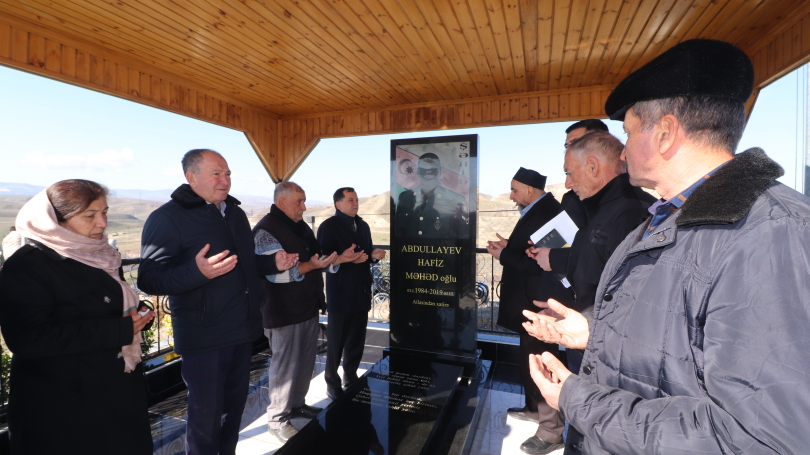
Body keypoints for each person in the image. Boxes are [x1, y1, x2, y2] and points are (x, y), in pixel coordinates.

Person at [528, 39, 810, 455]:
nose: (623, 152)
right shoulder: (672, 216)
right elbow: (681, 345)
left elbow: (757, 436)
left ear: (665, 134)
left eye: (628, 133)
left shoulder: (770, 235)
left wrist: (578, 399)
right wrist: (595, 334)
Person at [138, 149, 297, 455]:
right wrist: (196, 272)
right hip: (204, 336)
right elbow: (149, 278)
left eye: (227, 174)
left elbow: (244, 263)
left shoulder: (234, 214)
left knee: (232, 415)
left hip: (241, 330)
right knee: (206, 421)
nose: (225, 180)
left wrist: (271, 263)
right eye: (216, 174)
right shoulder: (168, 218)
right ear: (191, 177)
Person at [0, 179, 155, 454]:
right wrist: (119, 329)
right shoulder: (28, 265)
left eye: (104, 212)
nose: (102, 223)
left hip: (114, 396)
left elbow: (104, 303)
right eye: (90, 215)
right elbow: (27, 339)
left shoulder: (100, 253)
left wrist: (136, 312)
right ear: (56, 220)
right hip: (65, 407)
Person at [527, 131, 654, 374]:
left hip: (611, 356)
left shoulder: (632, 212)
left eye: (569, 173)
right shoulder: (597, 209)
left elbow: (635, 303)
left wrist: (587, 323)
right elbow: (594, 275)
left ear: (593, 166)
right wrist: (575, 314)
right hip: (590, 338)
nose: (568, 183)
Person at [253, 181, 363, 444]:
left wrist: (340, 259)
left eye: (304, 201)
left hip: (307, 306)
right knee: (284, 367)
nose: (304, 207)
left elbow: (316, 259)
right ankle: (277, 420)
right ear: (281, 203)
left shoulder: (300, 227)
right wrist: (311, 266)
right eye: (299, 202)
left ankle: (297, 405)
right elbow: (275, 274)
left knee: (304, 360)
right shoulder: (265, 231)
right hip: (282, 311)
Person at [485, 168, 569, 454]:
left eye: (514, 190)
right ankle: (534, 409)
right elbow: (530, 250)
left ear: (530, 191)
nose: (511, 196)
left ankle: (551, 430)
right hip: (527, 302)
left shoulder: (550, 213)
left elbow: (538, 263)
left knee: (543, 360)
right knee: (529, 357)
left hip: (538, 303)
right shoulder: (537, 210)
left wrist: (502, 254)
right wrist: (511, 247)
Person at [317, 187, 385, 400]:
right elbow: (322, 259)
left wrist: (373, 255)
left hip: (361, 290)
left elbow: (365, 252)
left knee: (356, 339)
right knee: (336, 342)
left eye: (356, 200)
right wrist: (346, 259)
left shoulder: (363, 225)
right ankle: (331, 382)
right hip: (340, 293)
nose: (355, 203)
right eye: (350, 200)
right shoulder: (328, 226)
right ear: (338, 204)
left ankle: (350, 376)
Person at [395, 153, 468, 238]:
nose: (428, 171)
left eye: (433, 167)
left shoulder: (456, 199)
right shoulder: (405, 197)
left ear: (440, 171)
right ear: (418, 171)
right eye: (424, 167)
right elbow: (399, 230)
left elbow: (461, 234)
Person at [561, 119, 610, 229]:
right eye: (567, 146)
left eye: (575, 143)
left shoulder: (626, 199)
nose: (569, 151)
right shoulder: (571, 197)